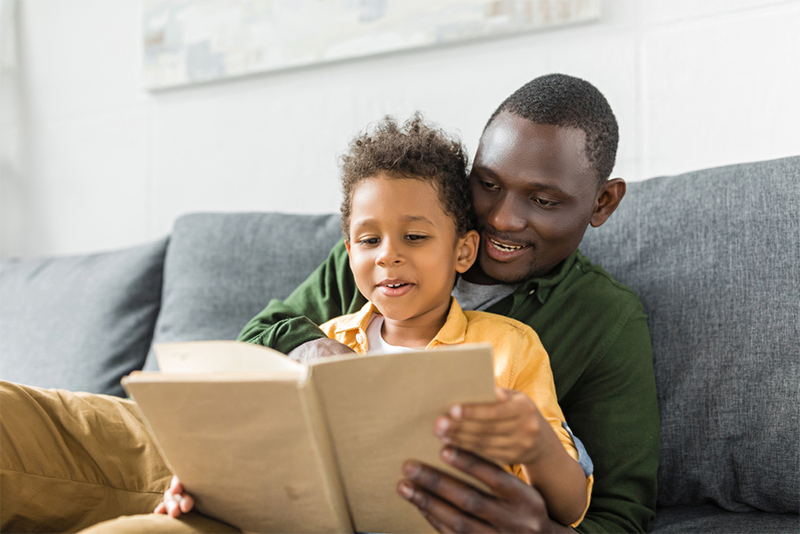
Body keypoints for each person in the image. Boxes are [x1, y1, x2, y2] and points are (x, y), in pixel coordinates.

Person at [237, 73, 660, 534]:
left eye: (541, 200)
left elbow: (620, 515)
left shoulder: (600, 321)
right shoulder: (376, 256)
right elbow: (258, 339)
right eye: (488, 184)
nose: (502, 219)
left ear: (603, 202)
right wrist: (315, 351)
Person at [157, 115, 595, 529]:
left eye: (415, 237)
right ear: (350, 254)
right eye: (369, 240)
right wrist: (206, 486)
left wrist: (536, 444)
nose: (388, 255)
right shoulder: (325, 343)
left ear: (463, 251)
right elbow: (262, 454)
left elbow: (570, 507)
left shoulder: (508, 348)